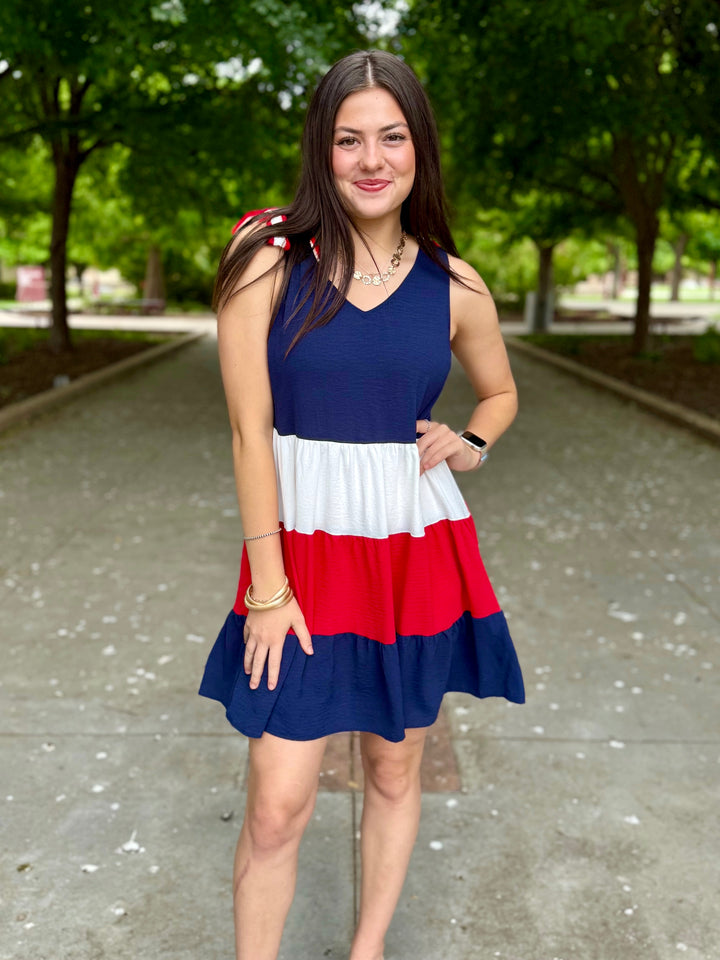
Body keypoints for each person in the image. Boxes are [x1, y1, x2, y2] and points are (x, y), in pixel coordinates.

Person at [199, 49, 525, 960]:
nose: (371, 159)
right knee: (277, 799)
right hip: (297, 556)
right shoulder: (266, 261)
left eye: (392, 136)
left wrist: (472, 439)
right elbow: (245, 434)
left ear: (420, 147)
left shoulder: (454, 285)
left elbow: (499, 393)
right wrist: (268, 588)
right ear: (322, 149)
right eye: (349, 139)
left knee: (395, 761)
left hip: (413, 547)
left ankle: (367, 947)